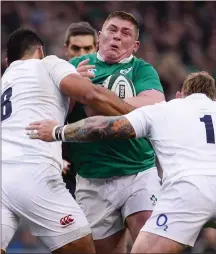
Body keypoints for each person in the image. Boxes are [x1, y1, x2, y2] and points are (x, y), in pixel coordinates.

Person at [27, 71, 216, 254]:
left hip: (188, 189)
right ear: (215, 99)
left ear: (179, 95)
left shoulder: (164, 109)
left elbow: (103, 126)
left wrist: (57, 131)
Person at [31, 10, 165, 254]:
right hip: (92, 179)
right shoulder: (73, 68)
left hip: (137, 172)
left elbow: (154, 109)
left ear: (134, 46)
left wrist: (91, 96)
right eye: (112, 30)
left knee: (150, 245)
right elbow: (51, 115)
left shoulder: (143, 71)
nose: (116, 37)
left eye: (125, 34)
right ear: (100, 35)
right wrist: (72, 95)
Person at [1, 28, 134, 254]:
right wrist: (136, 115)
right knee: (82, 248)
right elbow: (91, 94)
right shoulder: (49, 63)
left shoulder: (5, 80)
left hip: (3, 173)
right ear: (41, 51)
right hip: (35, 173)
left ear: (7, 60)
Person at [62, 22, 98, 198]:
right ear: (65, 49)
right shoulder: (52, 80)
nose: (82, 55)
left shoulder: (112, 82)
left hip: (100, 170)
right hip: (63, 170)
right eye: (75, 48)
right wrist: (74, 85)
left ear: (96, 49)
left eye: (87, 49)